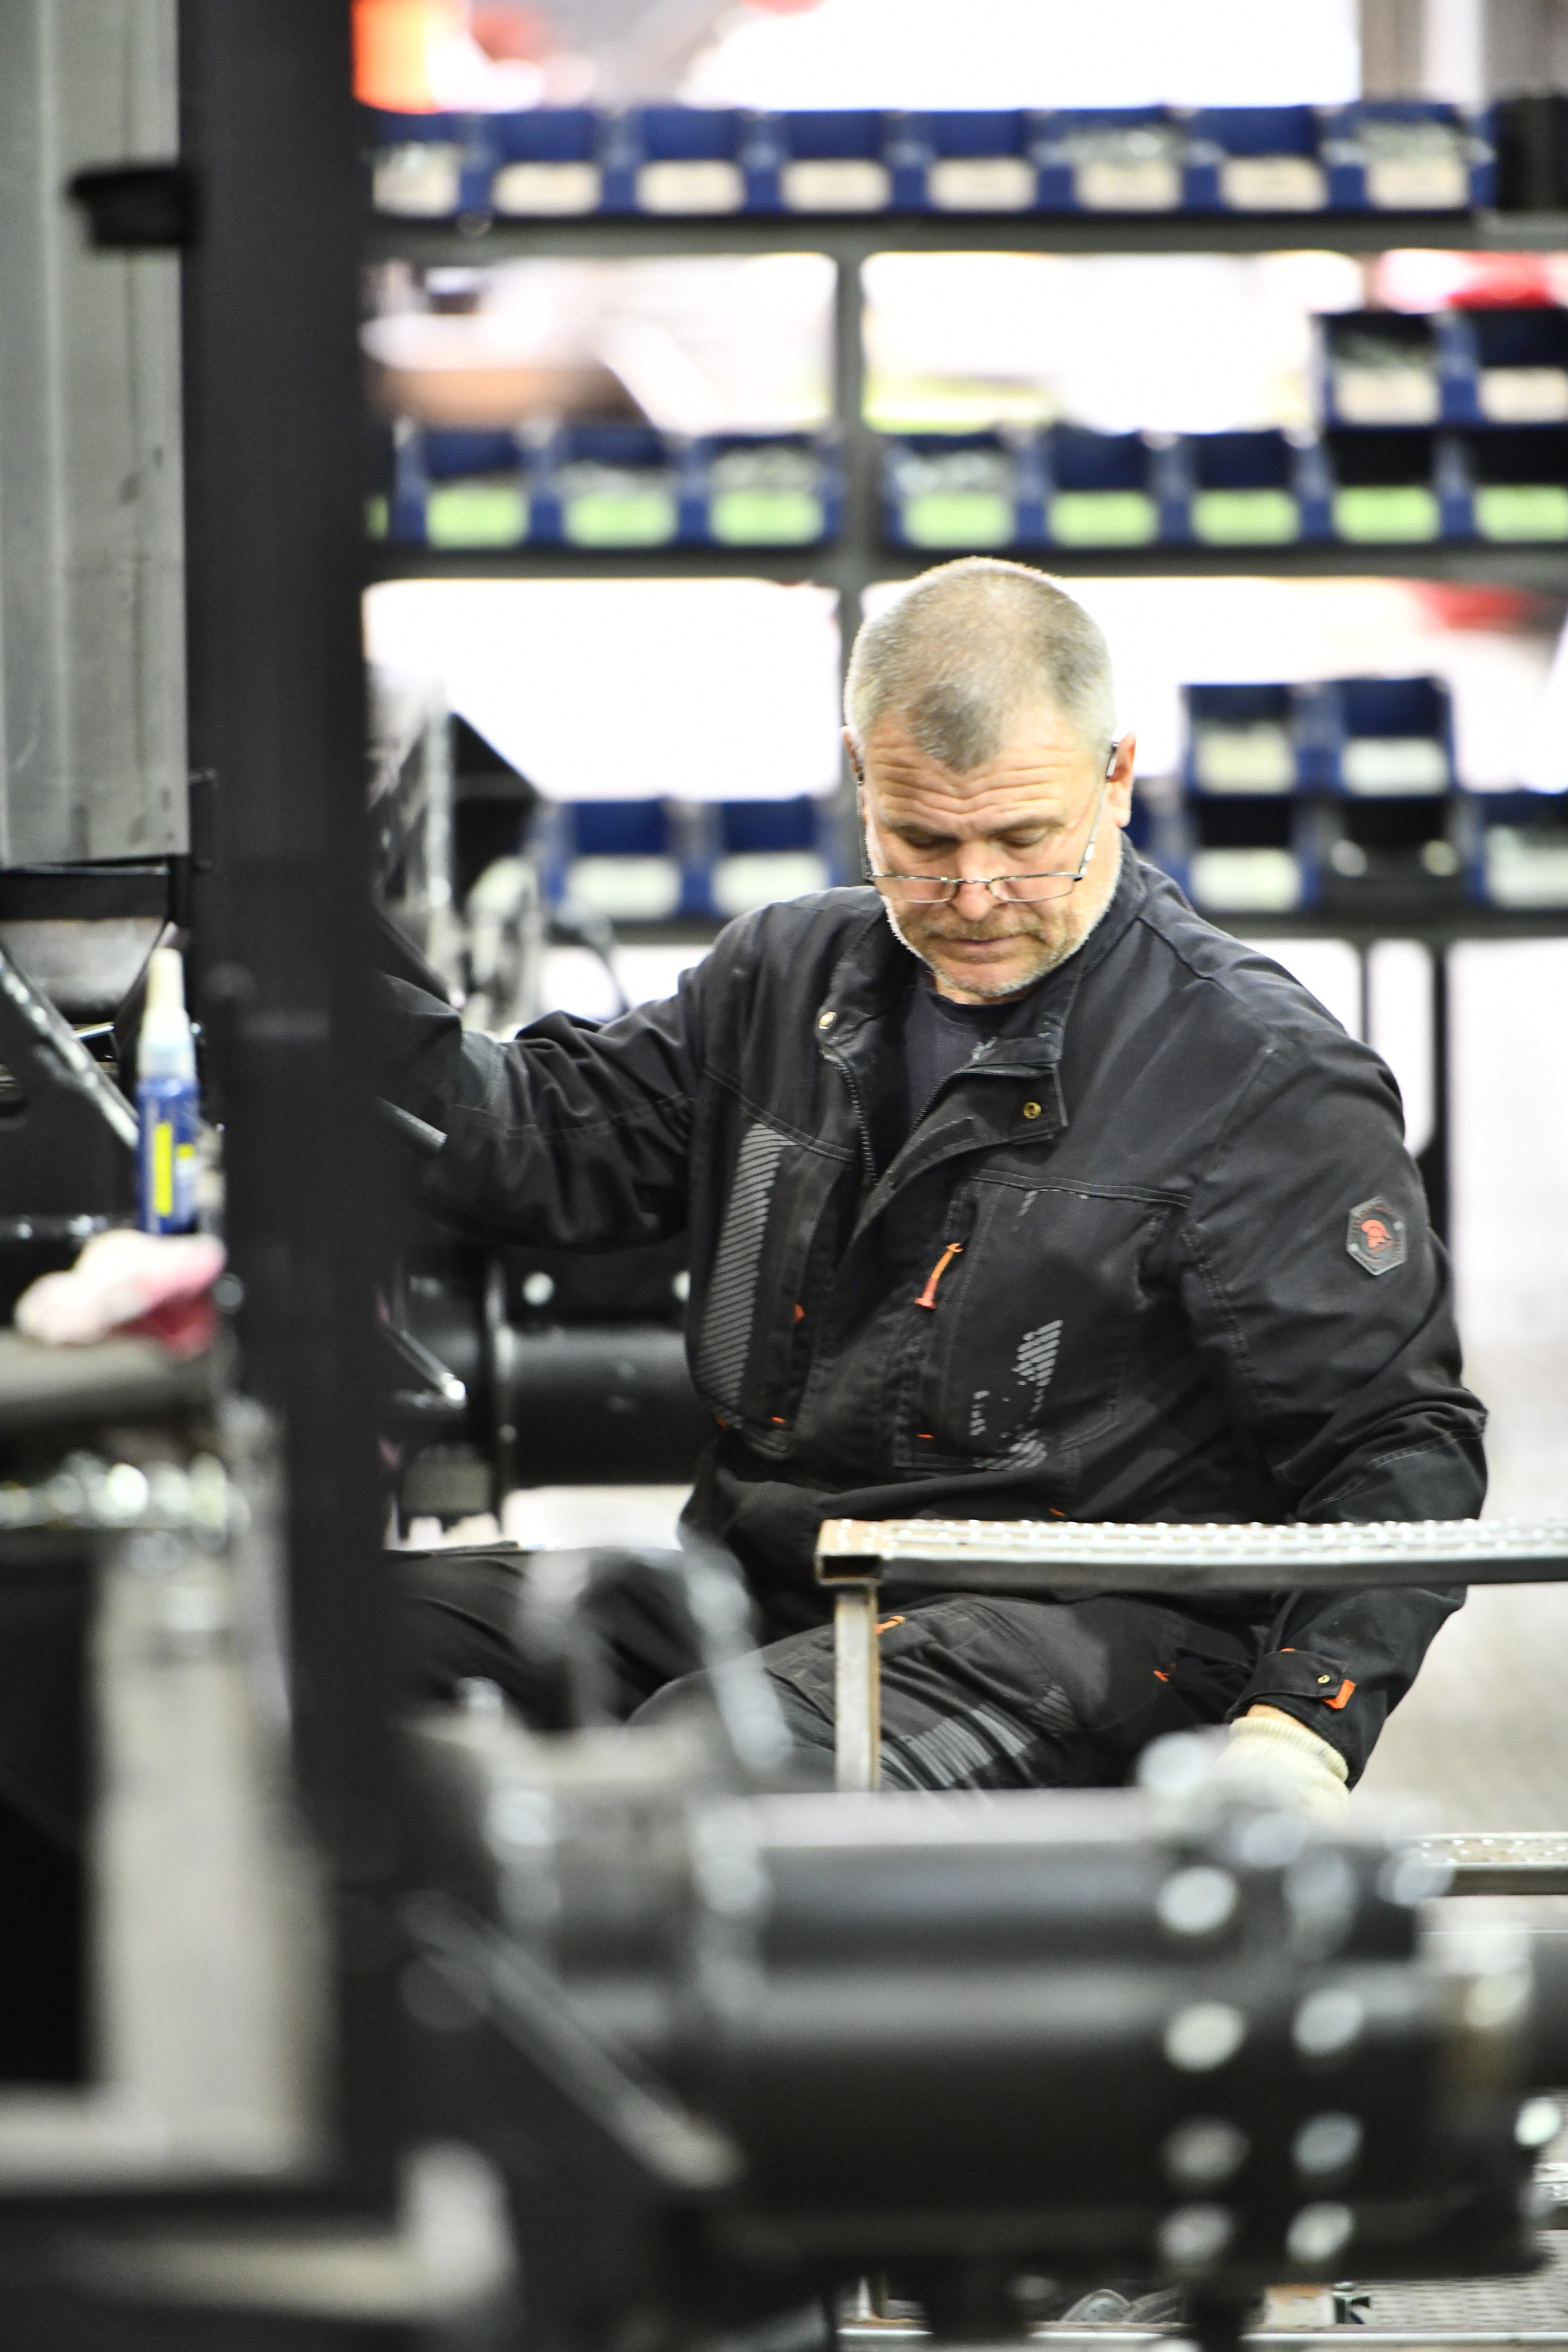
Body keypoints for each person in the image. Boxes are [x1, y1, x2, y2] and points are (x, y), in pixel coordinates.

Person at [383, 558, 1484, 1819]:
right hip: (778, 1579)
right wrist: (310, 991)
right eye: (921, 841)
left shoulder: (1253, 1076)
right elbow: (546, 1139)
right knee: (341, 1643)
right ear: (860, 777)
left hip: (1082, 1623)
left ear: (1115, 778)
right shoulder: (783, 979)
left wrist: (1301, 1729)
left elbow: (1398, 1440)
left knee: (706, 1772)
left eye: (1023, 842)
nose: (971, 898)